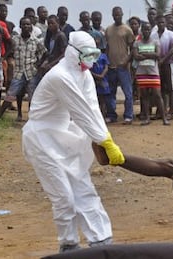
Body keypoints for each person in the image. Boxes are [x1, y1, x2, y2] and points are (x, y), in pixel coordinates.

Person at [21, 31, 125, 253]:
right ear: (73, 52)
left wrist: (107, 139)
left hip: (66, 137)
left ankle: (101, 242)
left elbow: (93, 109)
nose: (91, 59)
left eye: (94, 54)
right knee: (64, 197)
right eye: (87, 54)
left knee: (84, 188)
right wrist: (103, 140)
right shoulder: (60, 76)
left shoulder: (84, 74)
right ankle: (68, 245)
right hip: (41, 139)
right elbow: (81, 112)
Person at [0, 16, 47, 121]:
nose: (26, 26)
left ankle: (34, 119)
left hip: (31, 73)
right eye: (24, 24)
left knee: (33, 97)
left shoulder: (36, 41)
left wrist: (39, 64)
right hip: (18, 73)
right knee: (10, 94)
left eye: (28, 24)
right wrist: (3, 59)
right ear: (20, 26)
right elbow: (9, 50)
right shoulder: (15, 40)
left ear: (31, 27)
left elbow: (45, 53)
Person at [132, 22, 170, 126]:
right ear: (142, 30)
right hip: (141, 73)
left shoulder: (155, 42)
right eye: (144, 29)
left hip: (153, 72)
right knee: (144, 96)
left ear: (150, 30)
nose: (146, 31)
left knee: (157, 95)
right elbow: (136, 56)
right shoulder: (137, 43)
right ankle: (147, 118)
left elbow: (157, 55)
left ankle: (164, 118)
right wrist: (150, 55)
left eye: (148, 29)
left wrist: (143, 54)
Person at [105, 6, 135, 124]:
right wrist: (107, 61)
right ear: (112, 15)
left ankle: (128, 115)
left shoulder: (127, 30)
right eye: (115, 14)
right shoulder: (108, 30)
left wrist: (127, 61)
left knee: (128, 92)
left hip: (123, 67)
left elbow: (132, 49)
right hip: (111, 67)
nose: (117, 16)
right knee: (110, 93)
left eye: (119, 14)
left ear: (122, 15)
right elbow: (107, 47)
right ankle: (112, 115)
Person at [151, 15, 173, 120]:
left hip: (168, 64)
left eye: (163, 22)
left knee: (171, 88)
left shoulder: (170, 34)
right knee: (159, 88)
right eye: (159, 22)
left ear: (165, 23)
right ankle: (160, 110)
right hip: (157, 65)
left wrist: (163, 59)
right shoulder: (153, 35)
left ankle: (171, 110)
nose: (161, 24)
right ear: (156, 23)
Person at [90, 39, 110, 117]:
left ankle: (103, 116)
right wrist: (95, 76)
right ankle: (95, 116)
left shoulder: (103, 55)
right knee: (94, 99)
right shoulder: (89, 56)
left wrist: (101, 75)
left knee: (103, 99)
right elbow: (87, 68)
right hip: (93, 79)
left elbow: (106, 67)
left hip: (103, 78)